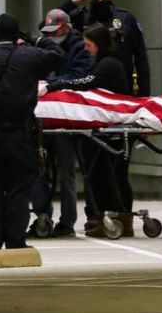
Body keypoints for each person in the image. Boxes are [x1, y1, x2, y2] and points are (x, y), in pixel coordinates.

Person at [0, 13, 63, 250]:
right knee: (19, 188)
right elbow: (58, 57)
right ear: (17, 35)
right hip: (21, 134)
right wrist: (38, 39)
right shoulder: (28, 57)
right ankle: (16, 240)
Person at [56, 23, 132, 238]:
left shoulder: (107, 65)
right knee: (112, 175)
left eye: (89, 44)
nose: (86, 48)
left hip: (110, 130)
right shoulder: (107, 63)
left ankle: (112, 218)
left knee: (104, 175)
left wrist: (57, 85)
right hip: (110, 128)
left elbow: (87, 83)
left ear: (98, 44)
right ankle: (119, 219)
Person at [29, 9, 94, 238]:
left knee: (67, 171)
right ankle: (42, 215)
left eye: (54, 32)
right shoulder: (45, 45)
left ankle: (67, 221)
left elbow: (81, 76)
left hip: (64, 117)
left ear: (67, 28)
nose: (50, 36)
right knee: (39, 168)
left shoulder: (79, 48)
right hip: (43, 116)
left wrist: (53, 84)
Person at [59, 0, 151, 97]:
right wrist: (73, 2)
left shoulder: (125, 18)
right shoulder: (81, 17)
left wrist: (144, 94)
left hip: (121, 88)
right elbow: (51, 22)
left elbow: (141, 57)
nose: (100, 1)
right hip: (87, 89)